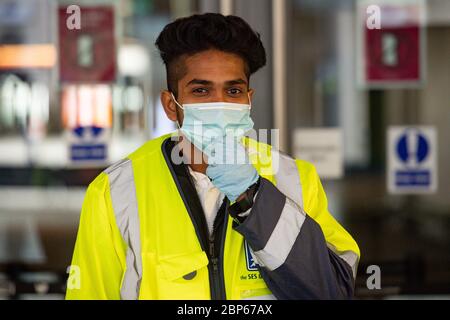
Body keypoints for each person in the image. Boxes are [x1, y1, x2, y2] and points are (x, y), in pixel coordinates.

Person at [66, 13, 360, 300]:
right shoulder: (115, 192)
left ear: (248, 99)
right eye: (201, 90)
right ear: (171, 105)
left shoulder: (294, 179)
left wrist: (253, 197)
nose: (220, 104)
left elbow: (331, 290)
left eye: (233, 90)